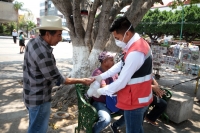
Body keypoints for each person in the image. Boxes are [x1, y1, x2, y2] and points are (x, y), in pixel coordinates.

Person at [23, 16, 94, 133]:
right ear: (47, 34)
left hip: (29, 95)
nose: (60, 39)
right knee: (37, 130)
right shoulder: (44, 54)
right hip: (39, 100)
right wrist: (82, 80)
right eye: (58, 35)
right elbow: (60, 80)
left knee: (34, 126)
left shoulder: (32, 42)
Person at [91, 16, 153, 133]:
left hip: (135, 100)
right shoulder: (136, 44)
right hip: (140, 97)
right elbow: (121, 64)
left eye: (117, 38)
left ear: (127, 34)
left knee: (133, 130)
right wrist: (101, 76)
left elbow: (121, 82)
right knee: (137, 129)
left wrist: (100, 91)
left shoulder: (136, 52)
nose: (116, 41)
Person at [91, 51, 125, 133]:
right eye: (111, 60)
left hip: (114, 101)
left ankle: (115, 126)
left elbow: (119, 84)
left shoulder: (113, 72)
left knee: (130, 113)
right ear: (105, 61)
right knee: (106, 119)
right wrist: (119, 90)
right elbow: (104, 88)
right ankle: (93, 131)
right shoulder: (97, 73)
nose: (114, 62)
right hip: (100, 102)